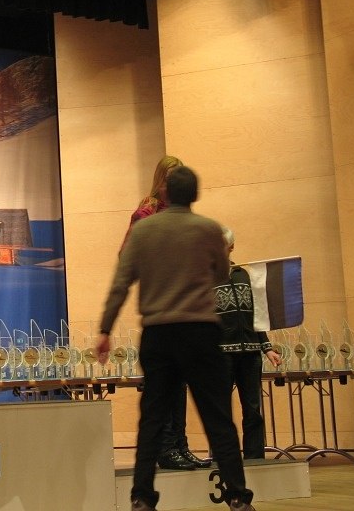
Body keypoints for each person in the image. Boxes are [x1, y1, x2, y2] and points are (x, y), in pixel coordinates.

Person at [96, 166, 255, 511]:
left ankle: (142, 497)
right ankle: (238, 497)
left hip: (159, 333)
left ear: (165, 193)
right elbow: (221, 274)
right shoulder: (209, 229)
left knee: (152, 419)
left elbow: (121, 282)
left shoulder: (144, 229)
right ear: (195, 195)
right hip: (201, 332)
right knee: (218, 419)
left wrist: (105, 329)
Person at [120, 155, 207, 471]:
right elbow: (127, 255)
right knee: (165, 383)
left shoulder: (182, 214)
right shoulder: (145, 212)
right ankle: (166, 448)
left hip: (183, 307)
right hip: (161, 307)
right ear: (160, 180)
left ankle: (180, 445)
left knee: (180, 382)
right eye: (170, 178)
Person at [215, 227, 282, 459]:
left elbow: (258, 314)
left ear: (231, 247)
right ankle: (225, 457)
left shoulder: (245, 275)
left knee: (253, 409)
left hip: (251, 352)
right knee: (220, 410)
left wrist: (267, 347)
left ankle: (255, 457)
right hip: (221, 354)